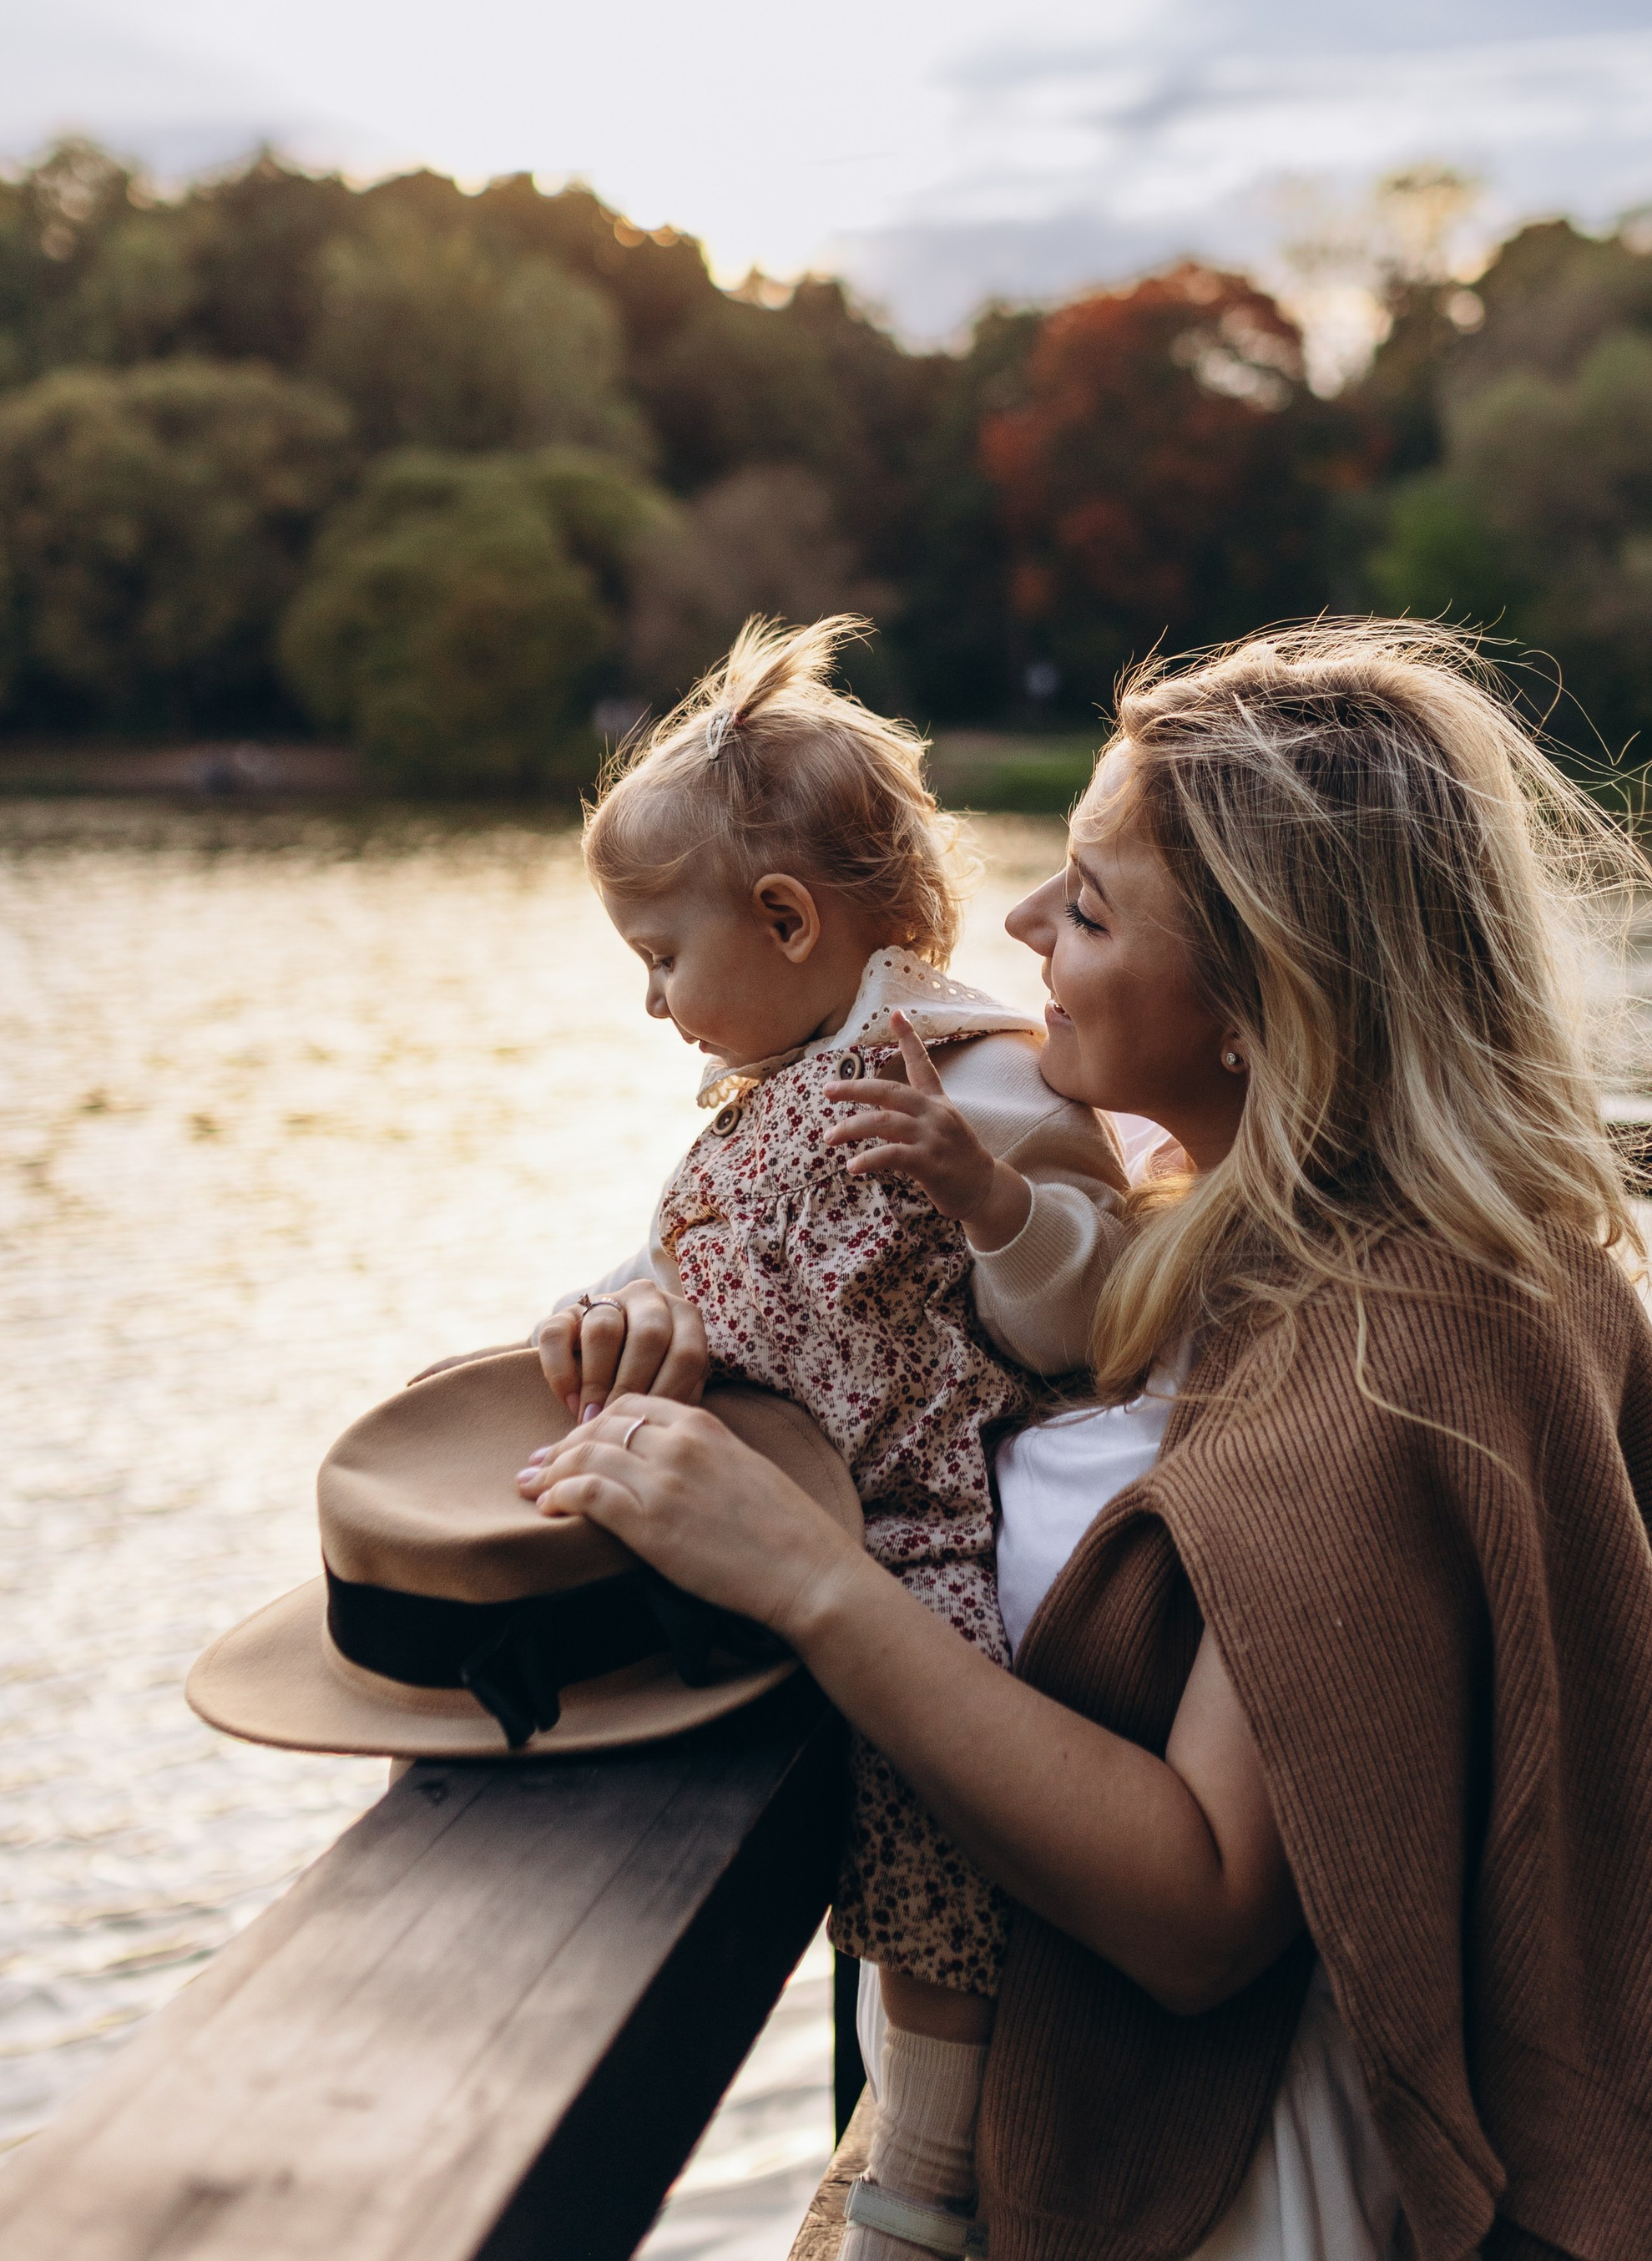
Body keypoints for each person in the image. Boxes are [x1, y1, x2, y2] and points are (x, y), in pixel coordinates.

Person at [518, 620, 1652, 2261]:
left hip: (1227, 2191)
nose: (1016, 922)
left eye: (1090, 905)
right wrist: (661, 1315)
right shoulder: (1224, 1253)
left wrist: (808, 1580)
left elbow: (1194, 1912)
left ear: (1262, 992)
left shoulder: (1399, 1343)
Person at [540, 615, 1134, 2258]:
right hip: (792, 1528)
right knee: (859, 1885)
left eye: (659, 957)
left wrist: (992, 1204)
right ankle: (895, 2146)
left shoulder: (969, 1078)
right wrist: (625, 1304)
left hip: (926, 1543)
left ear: (786, 919)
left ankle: (924, 2186)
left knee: (931, 1884)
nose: (654, 1006)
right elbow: (696, 1256)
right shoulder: (768, 1090)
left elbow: (1093, 1318)